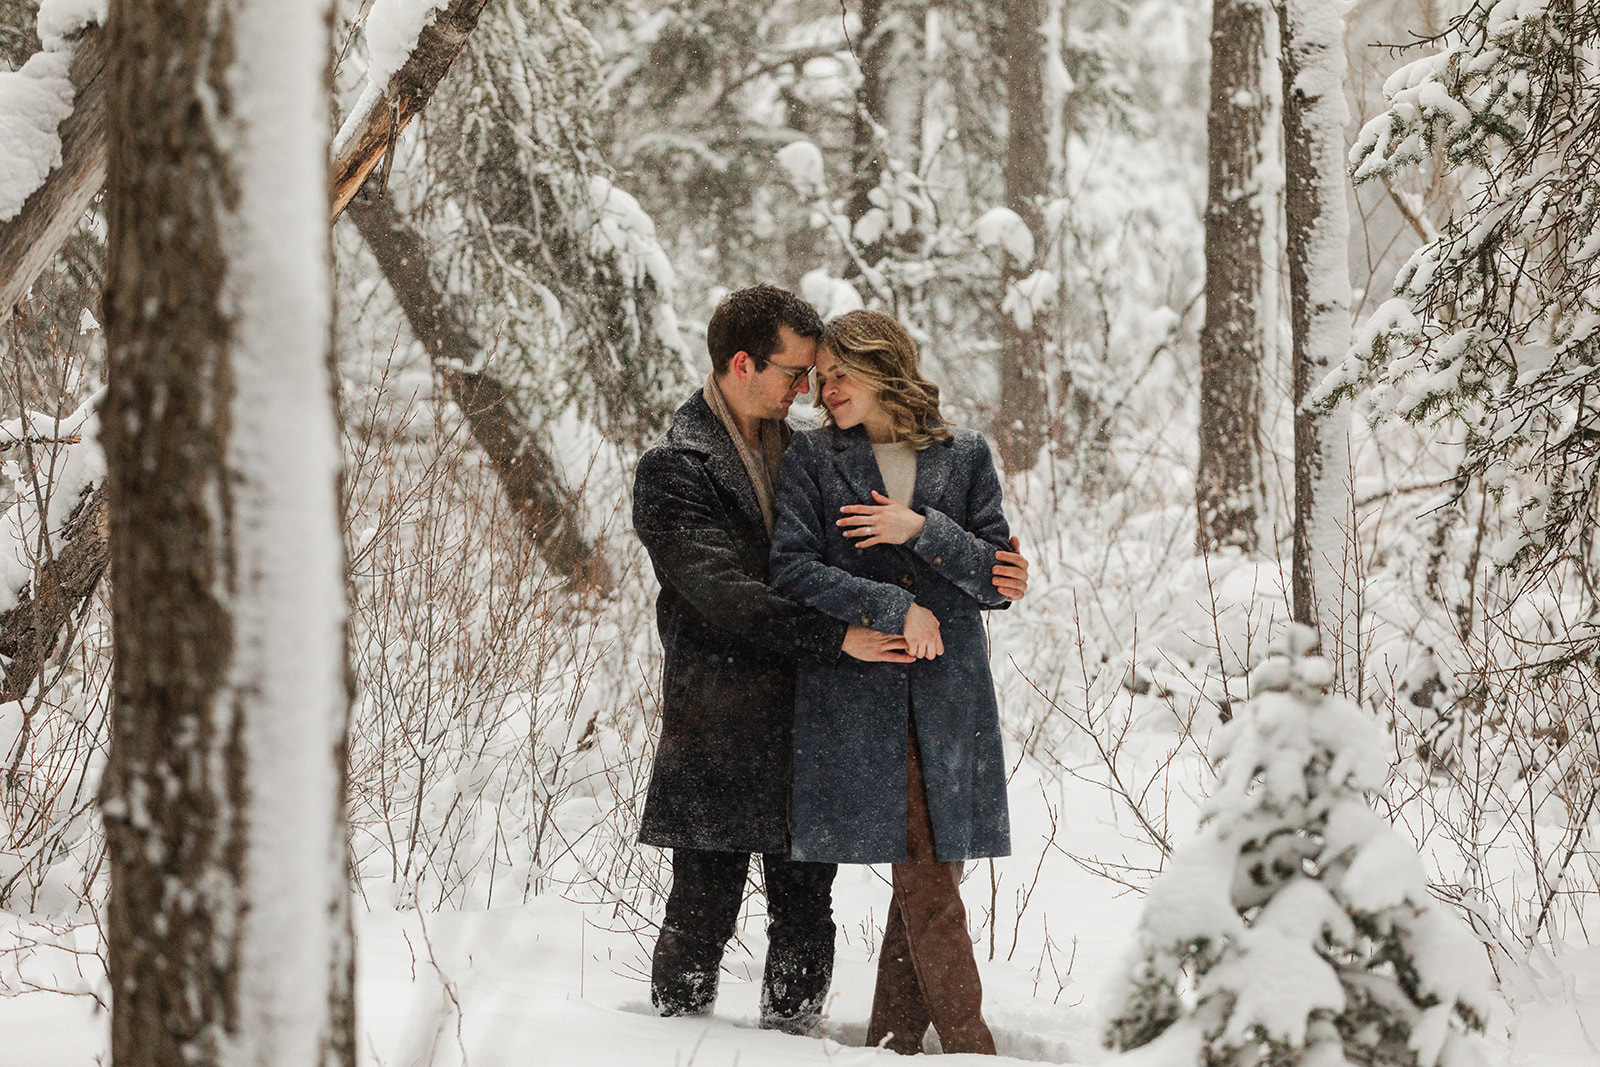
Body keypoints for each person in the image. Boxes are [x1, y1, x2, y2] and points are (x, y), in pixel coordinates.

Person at [631, 286, 1028, 1035]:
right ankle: (663, 1042)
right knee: (702, 904)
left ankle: (830, 1042)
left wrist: (957, 549)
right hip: (725, 711)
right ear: (745, 364)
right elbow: (735, 592)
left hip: (830, 705)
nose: (811, 389)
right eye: (800, 373)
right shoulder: (680, 466)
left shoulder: (808, 444)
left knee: (813, 905)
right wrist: (847, 631)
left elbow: (983, 566)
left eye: (826, 373)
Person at [769, 309, 1013, 1055]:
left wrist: (920, 530)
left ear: (885, 367)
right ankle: (973, 1044)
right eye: (820, 378)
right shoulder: (813, 458)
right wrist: (893, 602)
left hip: (952, 697)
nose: (826, 389)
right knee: (929, 876)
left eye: (843, 374)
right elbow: (792, 567)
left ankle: (894, 1041)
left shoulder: (965, 454)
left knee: (930, 875)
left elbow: (997, 578)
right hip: (862, 693)